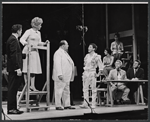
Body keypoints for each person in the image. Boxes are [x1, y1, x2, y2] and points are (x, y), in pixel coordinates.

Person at [20, 17, 48, 91]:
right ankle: (27, 86)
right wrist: (27, 44)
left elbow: (38, 42)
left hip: (35, 52)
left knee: (33, 70)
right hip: (28, 51)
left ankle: (32, 86)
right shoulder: (29, 31)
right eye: (40, 25)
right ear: (36, 25)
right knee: (26, 69)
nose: (41, 26)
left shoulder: (39, 33)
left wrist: (44, 43)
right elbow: (22, 39)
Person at [52, 40, 75, 110]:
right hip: (61, 75)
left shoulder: (65, 53)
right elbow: (57, 63)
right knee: (59, 90)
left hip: (66, 75)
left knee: (66, 90)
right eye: (67, 44)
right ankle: (58, 105)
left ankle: (67, 104)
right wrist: (59, 74)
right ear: (63, 45)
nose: (68, 46)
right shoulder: (58, 53)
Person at [79, 43, 104, 109]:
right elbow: (85, 64)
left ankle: (93, 103)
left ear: (94, 49)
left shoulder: (97, 56)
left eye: (90, 47)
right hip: (86, 72)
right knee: (85, 88)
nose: (88, 48)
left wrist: (98, 74)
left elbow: (101, 66)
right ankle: (85, 103)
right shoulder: (87, 56)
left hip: (92, 72)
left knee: (93, 89)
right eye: (88, 47)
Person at [6, 24, 24, 114]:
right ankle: (11, 109)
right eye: (21, 30)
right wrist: (17, 68)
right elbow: (13, 55)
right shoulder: (13, 39)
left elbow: (16, 54)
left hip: (13, 68)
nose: (21, 32)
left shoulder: (13, 39)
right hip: (14, 68)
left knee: (14, 88)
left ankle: (13, 108)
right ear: (18, 31)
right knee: (13, 89)